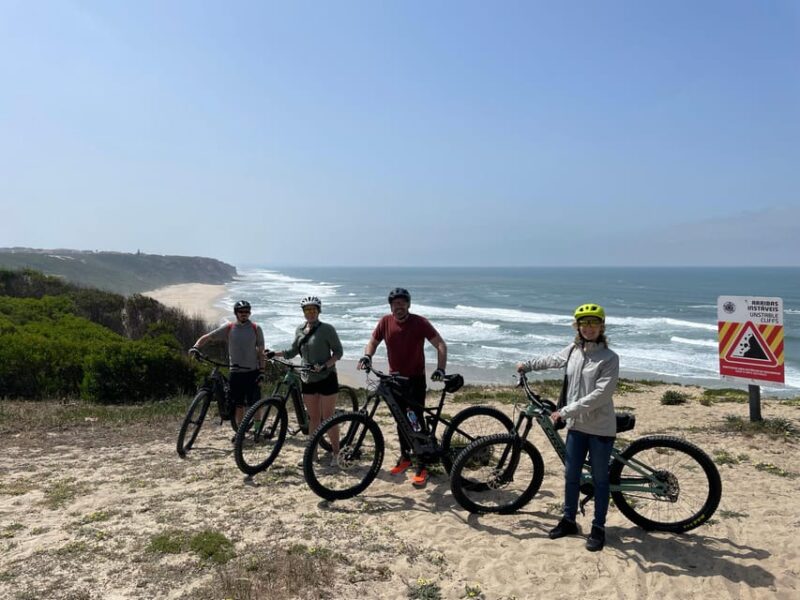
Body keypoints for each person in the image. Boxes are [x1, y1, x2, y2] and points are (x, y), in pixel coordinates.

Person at [516, 303, 619, 552]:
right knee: (571, 476)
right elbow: (553, 359)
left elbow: (600, 395)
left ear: (602, 326)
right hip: (576, 427)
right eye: (584, 323)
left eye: (594, 322)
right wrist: (527, 365)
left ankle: (598, 527)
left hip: (600, 428)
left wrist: (564, 412)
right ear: (577, 326)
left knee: (600, 480)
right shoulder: (574, 350)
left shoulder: (609, 358)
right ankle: (569, 520)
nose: (588, 327)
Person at [357, 287, 447, 487]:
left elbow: (440, 344)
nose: (399, 306)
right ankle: (405, 457)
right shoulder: (385, 322)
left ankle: (422, 464)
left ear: (408, 304)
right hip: (394, 381)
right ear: (391, 306)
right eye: (395, 303)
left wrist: (440, 369)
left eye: (402, 303)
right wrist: (367, 355)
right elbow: (373, 341)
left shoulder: (420, 322)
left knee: (415, 420)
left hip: (414, 380)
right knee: (400, 420)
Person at [267, 296, 343, 465]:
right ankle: (312, 454)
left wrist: (325, 365)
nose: (310, 313)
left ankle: (336, 453)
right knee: (314, 418)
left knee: (328, 417)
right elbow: (292, 351)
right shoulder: (299, 329)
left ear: (319, 311)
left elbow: (338, 352)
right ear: (303, 312)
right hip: (307, 378)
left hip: (326, 377)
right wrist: (274, 353)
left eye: (313, 310)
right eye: (307, 310)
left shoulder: (327, 329)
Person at [190, 300, 265, 428]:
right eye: (241, 312)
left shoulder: (256, 328)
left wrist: (262, 371)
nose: (244, 314)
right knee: (238, 404)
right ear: (236, 313)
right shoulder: (229, 328)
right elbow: (207, 337)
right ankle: (241, 430)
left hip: (252, 371)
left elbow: (261, 352)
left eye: (247, 311)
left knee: (255, 403)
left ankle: (258, 430)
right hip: (235, 373)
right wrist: (196, 346)